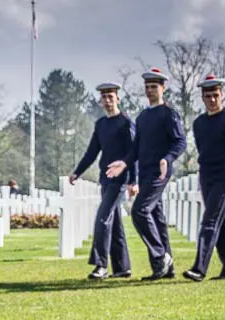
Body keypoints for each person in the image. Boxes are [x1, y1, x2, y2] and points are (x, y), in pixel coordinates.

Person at [106, 67, 186, 280]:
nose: (150, 90)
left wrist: (167, 159)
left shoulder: (169, 114)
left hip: (160, 173)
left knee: (139, 211)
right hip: (145, 173)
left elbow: (180, 142)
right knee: (157, 218)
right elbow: (136, 148)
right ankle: (164, 269)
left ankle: (160, 255)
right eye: (147, 87)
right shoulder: (142, 117)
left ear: (163, 88)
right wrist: (124, 163)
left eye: (154, 87)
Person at [183, 74, 225, 282]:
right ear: (202, 98)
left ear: (222, 95)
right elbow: (204, 149)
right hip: (208, 176)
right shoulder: (199, 123)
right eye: (207, 96)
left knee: (210, 220)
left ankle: (199, 268)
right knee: (222, 221)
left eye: (215, 95)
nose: (212, 100)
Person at [70, 81, 136, 280]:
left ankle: (101, 265)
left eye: (111, 97)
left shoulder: (126, 123)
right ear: (100, 101)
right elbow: (92, 152)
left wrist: (134, 181)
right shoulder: (101, 125)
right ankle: (122, 267)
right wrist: (77, 172)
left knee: (102, 218)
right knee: (114, 223)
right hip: (105, 180)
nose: (107, 101)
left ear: (118, 99)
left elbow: (134, 153)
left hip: (120, 179)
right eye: (104, 97)